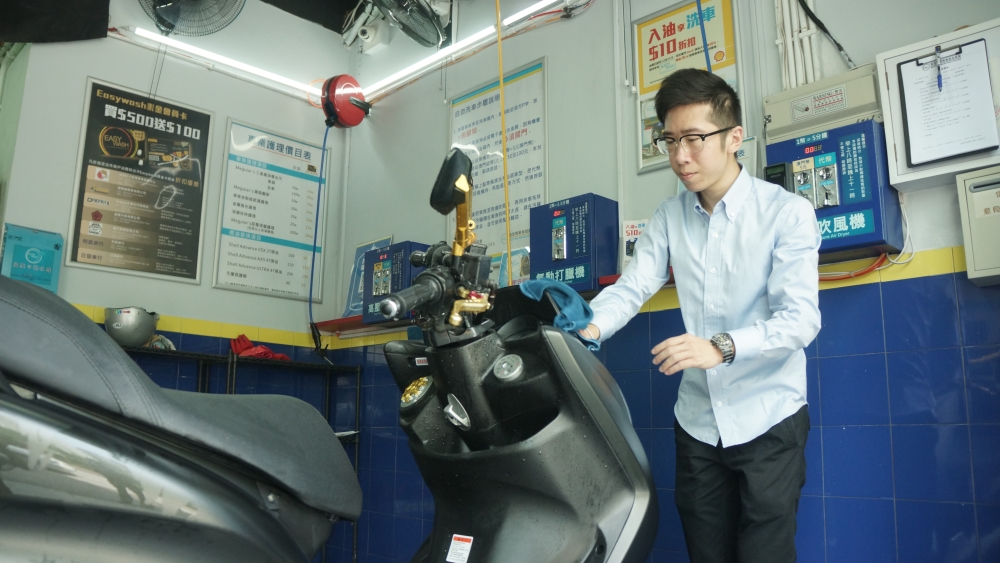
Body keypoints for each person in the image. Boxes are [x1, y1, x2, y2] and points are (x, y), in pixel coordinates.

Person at [581, 68, 821, 563]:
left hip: (768, 415)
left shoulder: (786, 213)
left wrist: (721, 347)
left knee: (764, 555)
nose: (680, 156)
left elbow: (800, 320)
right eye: (670, 141)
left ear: (734, 137)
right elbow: (634, 285)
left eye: (694, 138)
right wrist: (587, 327)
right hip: (698, 422)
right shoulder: (670, 216)